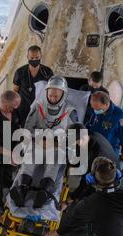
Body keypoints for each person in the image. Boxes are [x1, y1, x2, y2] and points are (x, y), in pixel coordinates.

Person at [9, 76, 78, 209]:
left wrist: (56, 144)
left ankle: (44, 192)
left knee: (53, 166)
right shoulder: (38, 106)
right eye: (51, 95)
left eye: (56, 96)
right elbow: (27, 130)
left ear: (63, 95)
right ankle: (21, 189)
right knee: (29, 162)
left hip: (57, 146)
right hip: (37, 143)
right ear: (46, 93)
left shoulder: (70, 111)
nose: (52, 99)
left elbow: (74, 137)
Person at [66, 123, 118, 201]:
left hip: (108, 177)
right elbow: (78, 152)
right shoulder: (90, 134)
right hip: (101, 164)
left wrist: (71, 199)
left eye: (76, 143)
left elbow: (86, 182)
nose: (76, 145)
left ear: (82, 138)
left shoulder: (95, 156)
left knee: (89, 194)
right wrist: (71, 165)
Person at [84, 91, 123, 169]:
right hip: (93, 148)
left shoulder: (120, 116)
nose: (95, 110)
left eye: (97, 108)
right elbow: (88, 125)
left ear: (106, 104)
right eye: (93, 107)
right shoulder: (94, 110)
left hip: (109, 152)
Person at [13, 45, 54, 126]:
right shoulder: (20, 72)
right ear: (27, 57)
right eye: (31, 58)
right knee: (24, 133)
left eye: (37, 57)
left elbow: (51, 90)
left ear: (41, 56)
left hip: (40, 109)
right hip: (23, 108)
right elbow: (15, 91)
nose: (34, 60)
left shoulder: (47, 72)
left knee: (38, 133)